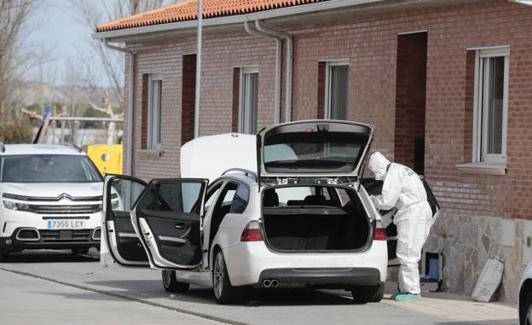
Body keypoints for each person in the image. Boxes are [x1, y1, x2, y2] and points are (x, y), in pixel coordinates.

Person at [367, 151, 433, 302]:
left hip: (412, 215)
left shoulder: (393, 174)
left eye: (373, 170)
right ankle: (404, 289)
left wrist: (372, 200)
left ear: (378, 166)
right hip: (416, 213)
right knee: (407, 252)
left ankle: (412, 292)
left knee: (408, 253)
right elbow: (397, 201)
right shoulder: (401, 169)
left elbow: (387, 202)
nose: (374, 173)